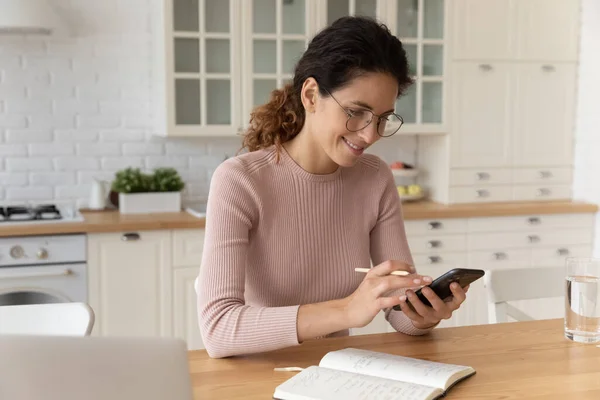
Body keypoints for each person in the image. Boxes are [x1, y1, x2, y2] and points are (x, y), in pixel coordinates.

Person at [196, 16, 468, 359]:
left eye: (383, 118)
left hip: (340, 374)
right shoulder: (240, 181)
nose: (371, 135)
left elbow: (398, 312)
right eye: (357, 112)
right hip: (257, 375)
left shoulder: (376, 178)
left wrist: (424, 314)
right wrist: (347, 311)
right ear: (311, 95)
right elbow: (219, 329)